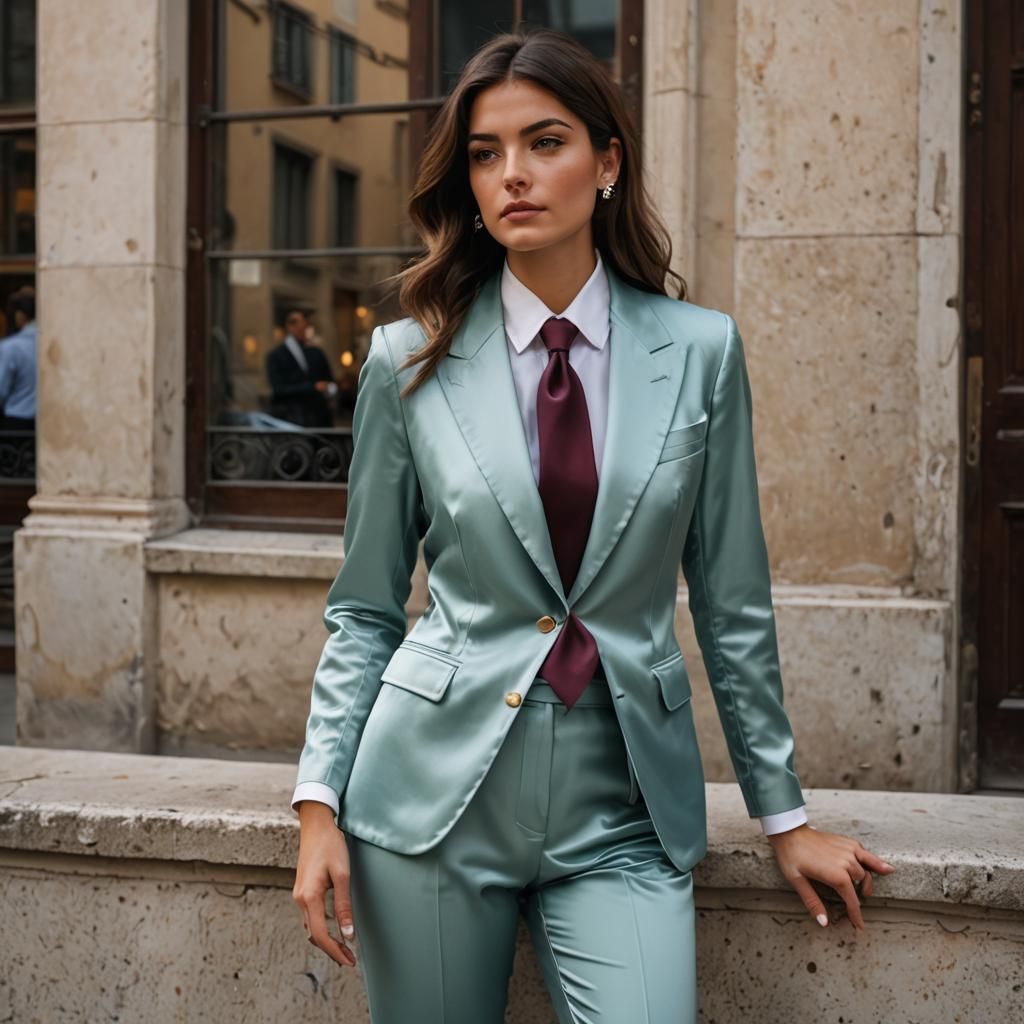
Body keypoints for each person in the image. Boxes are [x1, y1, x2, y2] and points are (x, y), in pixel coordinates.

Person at [291, 28, 895, 1023]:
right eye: (485, 153)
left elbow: (733, 602)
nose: (512, 175)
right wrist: (319, 804)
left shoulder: (700, 352)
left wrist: (782, 815)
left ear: (607, 161)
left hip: (623, 812)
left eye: (544, 142)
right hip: (428, 806)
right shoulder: (408, 360)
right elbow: (364, 609)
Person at [265, 308, 337, 428]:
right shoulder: (276, 356)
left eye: (304, 326)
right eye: (299, 326)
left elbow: (329, 380)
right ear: (289, 327)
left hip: (318, 418)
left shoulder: (316, 352)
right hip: (291, 417)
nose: (302, 330)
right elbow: (278, 389)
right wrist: (312, 388)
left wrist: (329, 390)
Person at [0, 288, 37, 432]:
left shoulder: (11, 347)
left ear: (20, 315)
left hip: (16, 423)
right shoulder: (51, 343)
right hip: (49, 421)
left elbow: (1, 389)